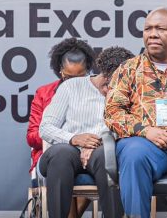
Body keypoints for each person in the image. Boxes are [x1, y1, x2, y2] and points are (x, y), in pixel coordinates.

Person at [39, 46, 133, 218]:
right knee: (61, 154)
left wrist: (100, 141)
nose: (111, 91)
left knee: (107, 156)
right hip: (68, 149)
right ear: (104, 73)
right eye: (109, 84)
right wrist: (74, 138)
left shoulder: (126, 92)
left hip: (100, 151)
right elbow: (45, 127)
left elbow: (130, 126)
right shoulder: (70, 86)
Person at [105, 7, 167, 218]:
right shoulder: (128, 69)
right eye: (148, 29)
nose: (153, 34)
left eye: (160, 29)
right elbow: (112, 112)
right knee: (134, 155)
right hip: (143, 143)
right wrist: (145, 130)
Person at [27, 38, 95, 173]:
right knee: (61, 157)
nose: (73, 83)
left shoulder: (98, 92)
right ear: (60, 70)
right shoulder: (44, 93)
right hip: (55, 156)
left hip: (90, 155)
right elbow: (32, 137)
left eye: (80, 78)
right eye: (68, 78)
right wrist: (70, 138)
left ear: (88, 70)